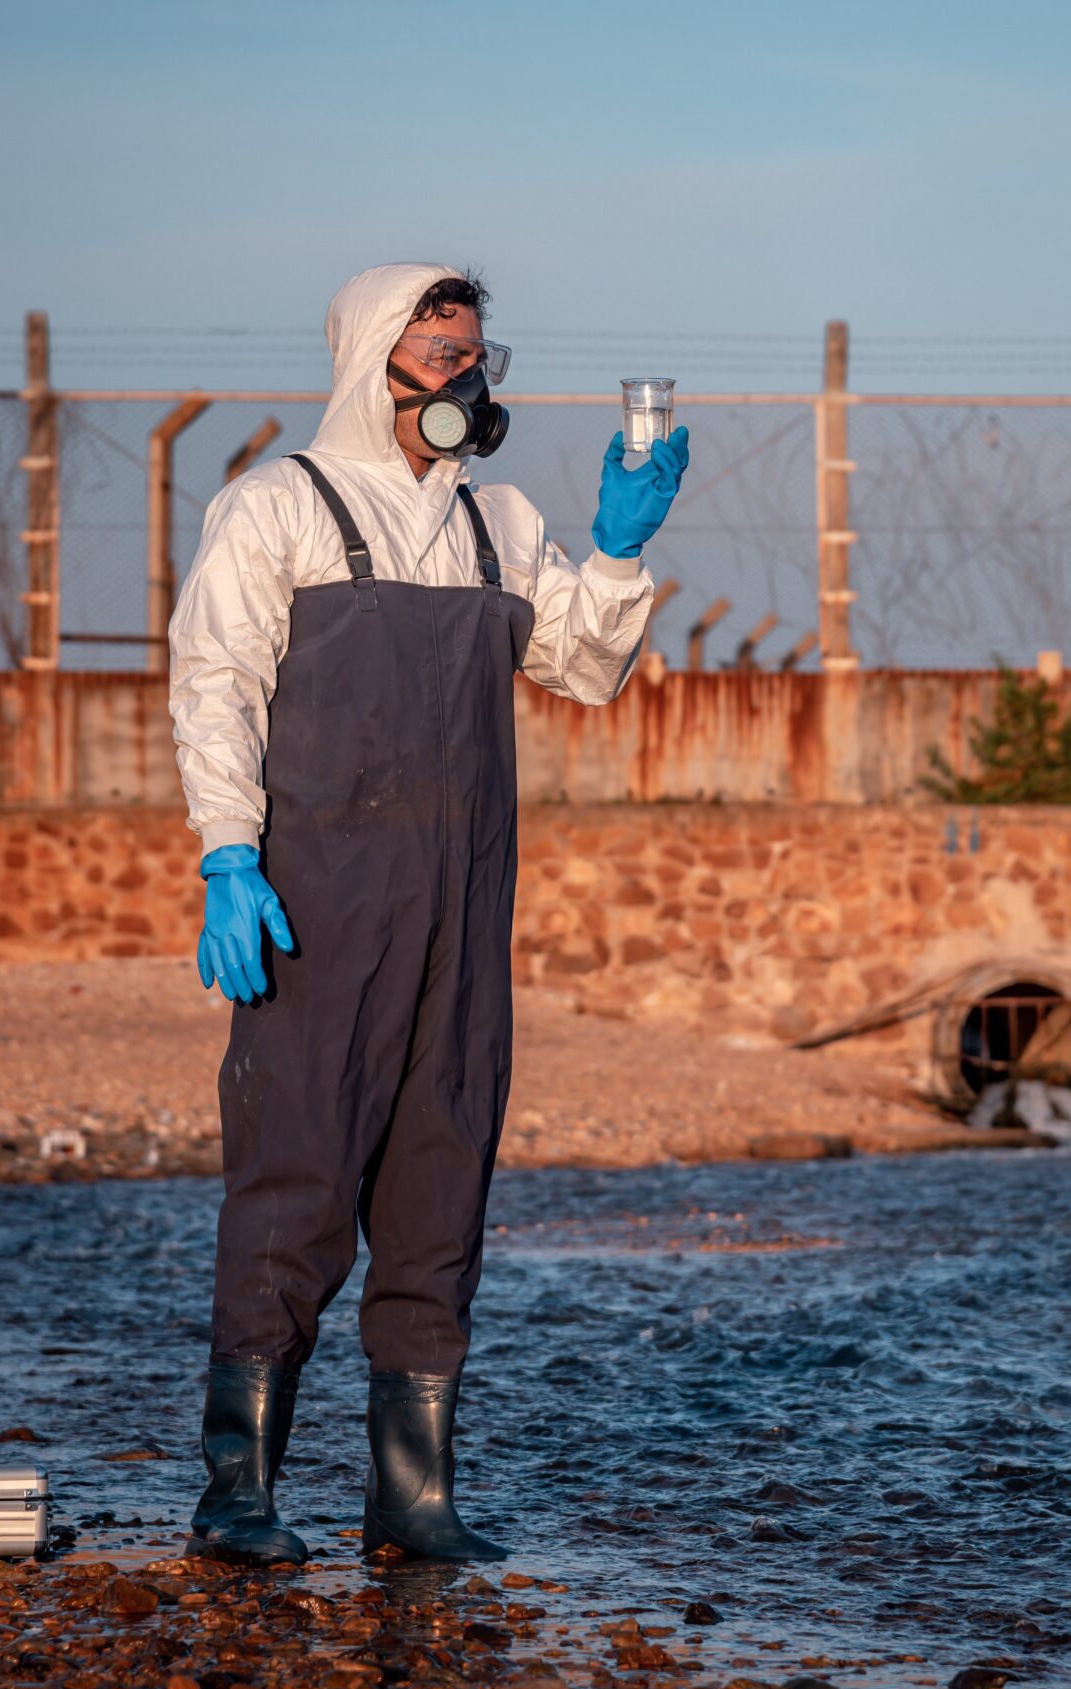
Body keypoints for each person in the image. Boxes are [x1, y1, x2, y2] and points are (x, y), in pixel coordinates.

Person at [166, 263, 688, 1565]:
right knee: (293, 1185)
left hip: (463, 908)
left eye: (475, 358)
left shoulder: (496, 523)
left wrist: (618, 552)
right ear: (371, 366)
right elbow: (215, 684)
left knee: (440, 1183)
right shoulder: (275, 507)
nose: (460, 380)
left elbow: (585, 666)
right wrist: (231, 857)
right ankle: (239, 1494)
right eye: (437, 356)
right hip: (317, 907)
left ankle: (413, 1495)